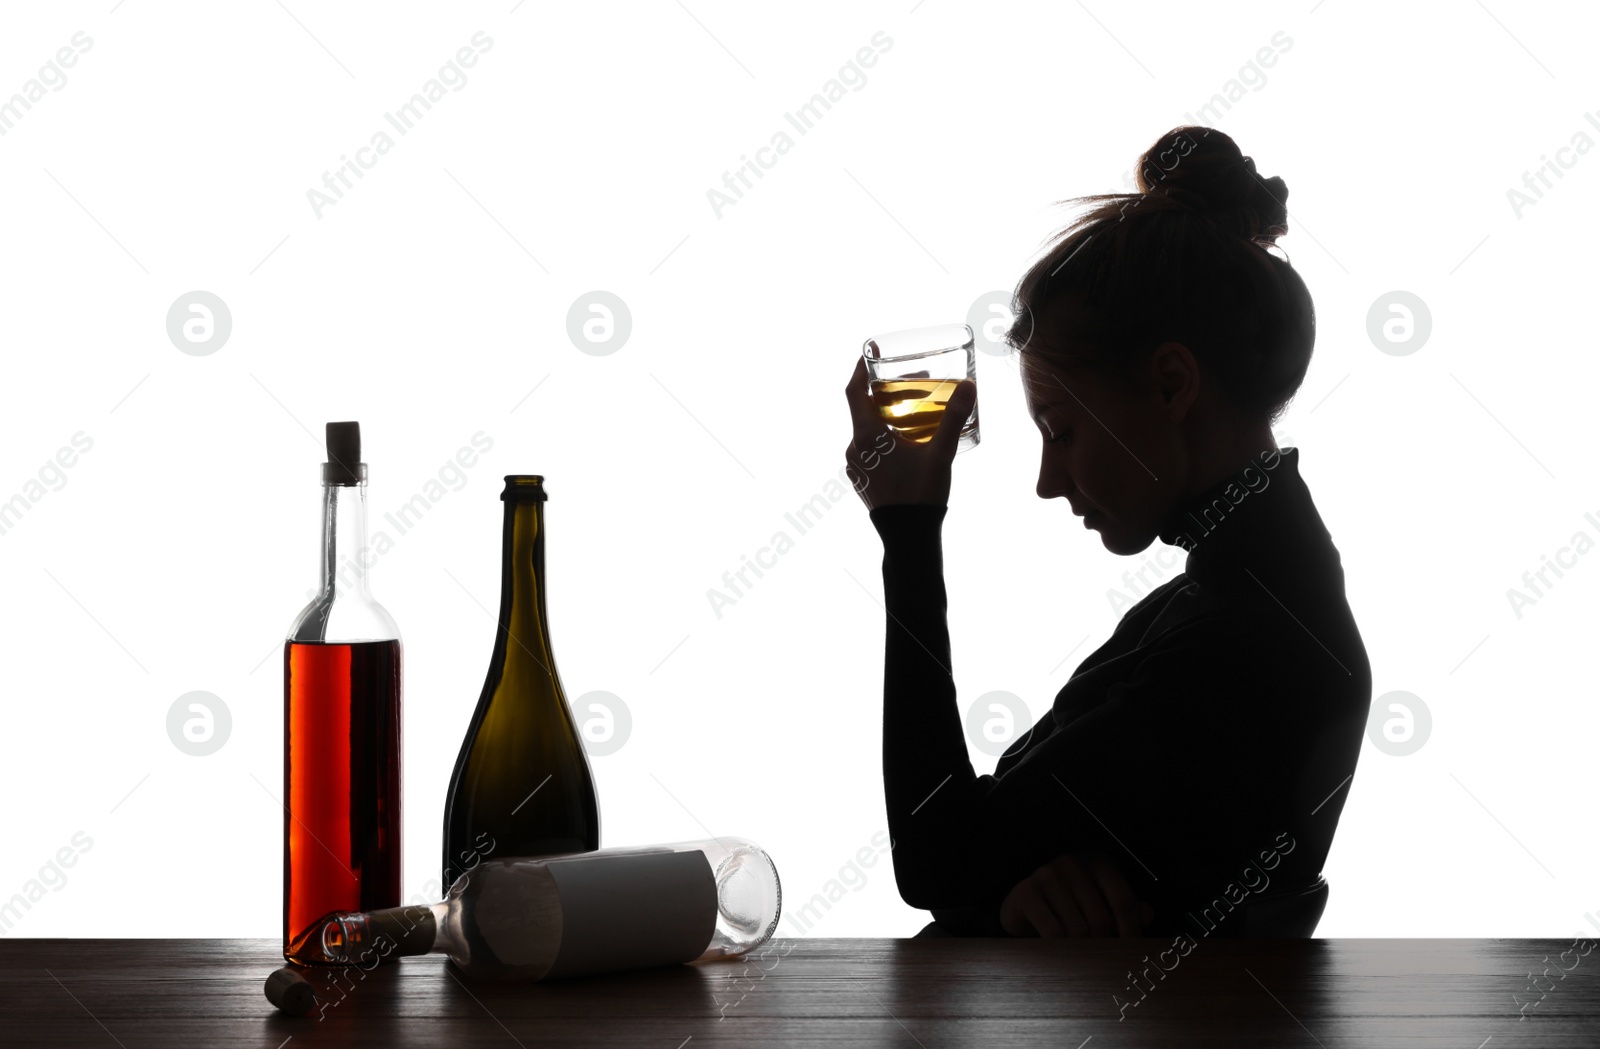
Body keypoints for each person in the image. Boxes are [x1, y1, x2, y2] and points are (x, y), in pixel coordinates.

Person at [842, 126, 1371, 939]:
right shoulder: (1232, 598)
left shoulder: (1239, 640)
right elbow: (971, 850)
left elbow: (937, 853)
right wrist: (1002, 889)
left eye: (1059, 430)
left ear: (1170, 384)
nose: (1050, 482)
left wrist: (908, 528)